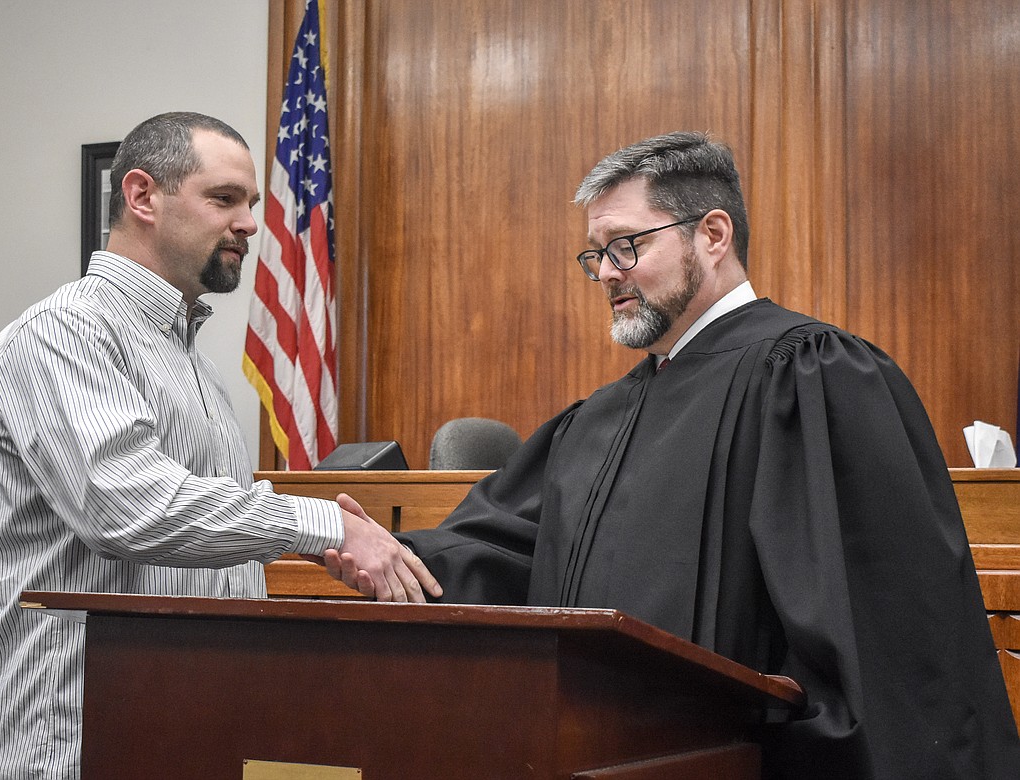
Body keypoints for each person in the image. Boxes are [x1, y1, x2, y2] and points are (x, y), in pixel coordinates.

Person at [342, 131, 1020, 777]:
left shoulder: (814, 378)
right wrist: (393, 558)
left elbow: (880, 635)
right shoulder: (599, 420)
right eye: (596, 253)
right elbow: (508, 546)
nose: (605, 272)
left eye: (625, 245)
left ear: (713, 234)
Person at [0, 111, 438, 779]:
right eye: (224, 199)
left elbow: (209, 529)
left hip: (182, 725)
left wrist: (332, 544)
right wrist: (318, 523)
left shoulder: (196, 365)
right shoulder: (62, 333)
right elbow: (128, 508)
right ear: (142, 197)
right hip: (70, 739)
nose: (249, 223)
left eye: (249, 202)